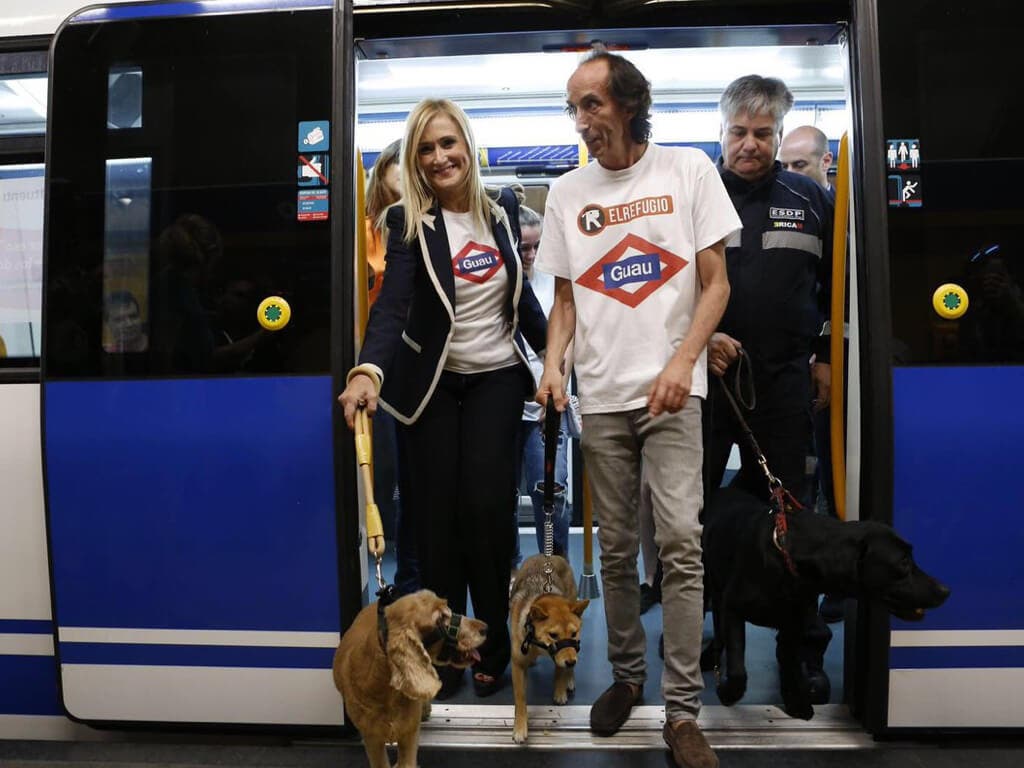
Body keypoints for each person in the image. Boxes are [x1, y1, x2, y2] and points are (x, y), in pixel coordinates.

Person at [535, 51, 739, 768]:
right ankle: (627, 678)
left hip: (673, 395)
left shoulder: (687, 171)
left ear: (626, 103)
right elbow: (564, 302)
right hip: (603, 398)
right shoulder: (565, 192)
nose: (582, 121)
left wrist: (684, 360)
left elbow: (715, 286)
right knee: (616, 554)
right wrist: (554, 364)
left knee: (681, 542)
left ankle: (682, 713)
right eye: (574, 108)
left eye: (591, 104)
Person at [339, 98, 547, 699]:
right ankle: (448, 642)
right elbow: (394, 306)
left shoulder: (502, 210)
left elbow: (522, 301)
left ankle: (490, 641)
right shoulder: (408, 219)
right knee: (434, 521)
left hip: (496, 379)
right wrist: (368, 372)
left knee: (486, 513)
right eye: (426, 149)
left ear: (468, 146)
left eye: (447, 144)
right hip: (428, 388)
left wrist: (560, 361)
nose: (438, 158)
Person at [706, 75, 835, 703]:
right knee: (697, 515)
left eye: (763, 133)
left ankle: (800, 650)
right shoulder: (694, 194)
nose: (750, 144)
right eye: (739, 132)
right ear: (721, 132)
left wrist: (826, 355)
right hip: (707, 381)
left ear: (779, 135)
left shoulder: (811, 197)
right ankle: (710, 630)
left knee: (791, 520)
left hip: (784, 381)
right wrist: (696, 342)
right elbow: (666, 286)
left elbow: (837, 286)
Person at [779, 125, 846, 624]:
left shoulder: (836, 218)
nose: (791, 176)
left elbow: (833, 297)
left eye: (800, 165)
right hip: (786, 375)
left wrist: (823, 354)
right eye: (787, 167)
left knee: (826, 477)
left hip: (836, 371)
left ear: (826, 163)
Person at [363, 138, 417, 593]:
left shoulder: (428, 229)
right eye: (398, 164)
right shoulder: (364, 233)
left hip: (419, 367)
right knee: (383, 473)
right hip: (376, 365)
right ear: (381, 173)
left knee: (415, 475)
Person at [513, 205, 570, 562]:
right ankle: (511, 573)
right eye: (523, 248)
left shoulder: (554, 280)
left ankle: (554, 570)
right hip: (505, 404)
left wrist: (559, 379)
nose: (530, 256)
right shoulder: (498, 280)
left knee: (550, 492)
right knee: (499, 496)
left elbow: (568, 337)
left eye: (536, 247)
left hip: (547, 403)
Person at [778, 125, 833, 192]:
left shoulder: (843, 201)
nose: (789, 174)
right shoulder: (775, 200)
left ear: (826, 162)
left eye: (799, 165)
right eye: (784, 167)